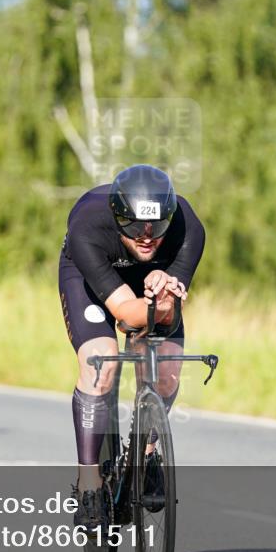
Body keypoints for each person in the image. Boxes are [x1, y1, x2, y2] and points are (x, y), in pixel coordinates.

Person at [58, 164, 206, 531]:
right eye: (133, 226)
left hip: (151, 286)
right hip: (91, 278)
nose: (145, 237)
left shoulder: (189, 230)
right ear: (116, 215)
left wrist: (165, 291)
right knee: (100, 364)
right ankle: (89, 483)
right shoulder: (88, 228)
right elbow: (127, 314)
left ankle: (145, 454)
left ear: (168, 217)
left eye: (156, 228)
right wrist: (156, 299)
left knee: (167, 373)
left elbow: (165, 316)